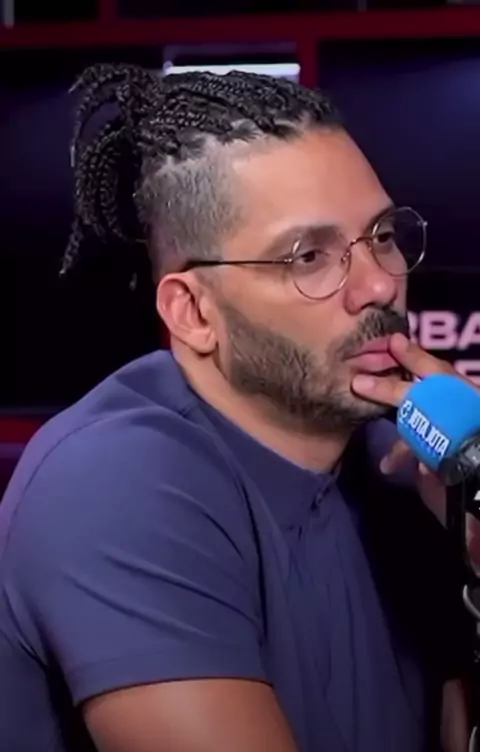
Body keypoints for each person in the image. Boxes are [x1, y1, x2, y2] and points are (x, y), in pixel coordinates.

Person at [0, 65, 473, 752]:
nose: (378, 285)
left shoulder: (403, 460)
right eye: (308, 257)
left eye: (380, 235)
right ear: (193, 313)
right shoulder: (113, 480)